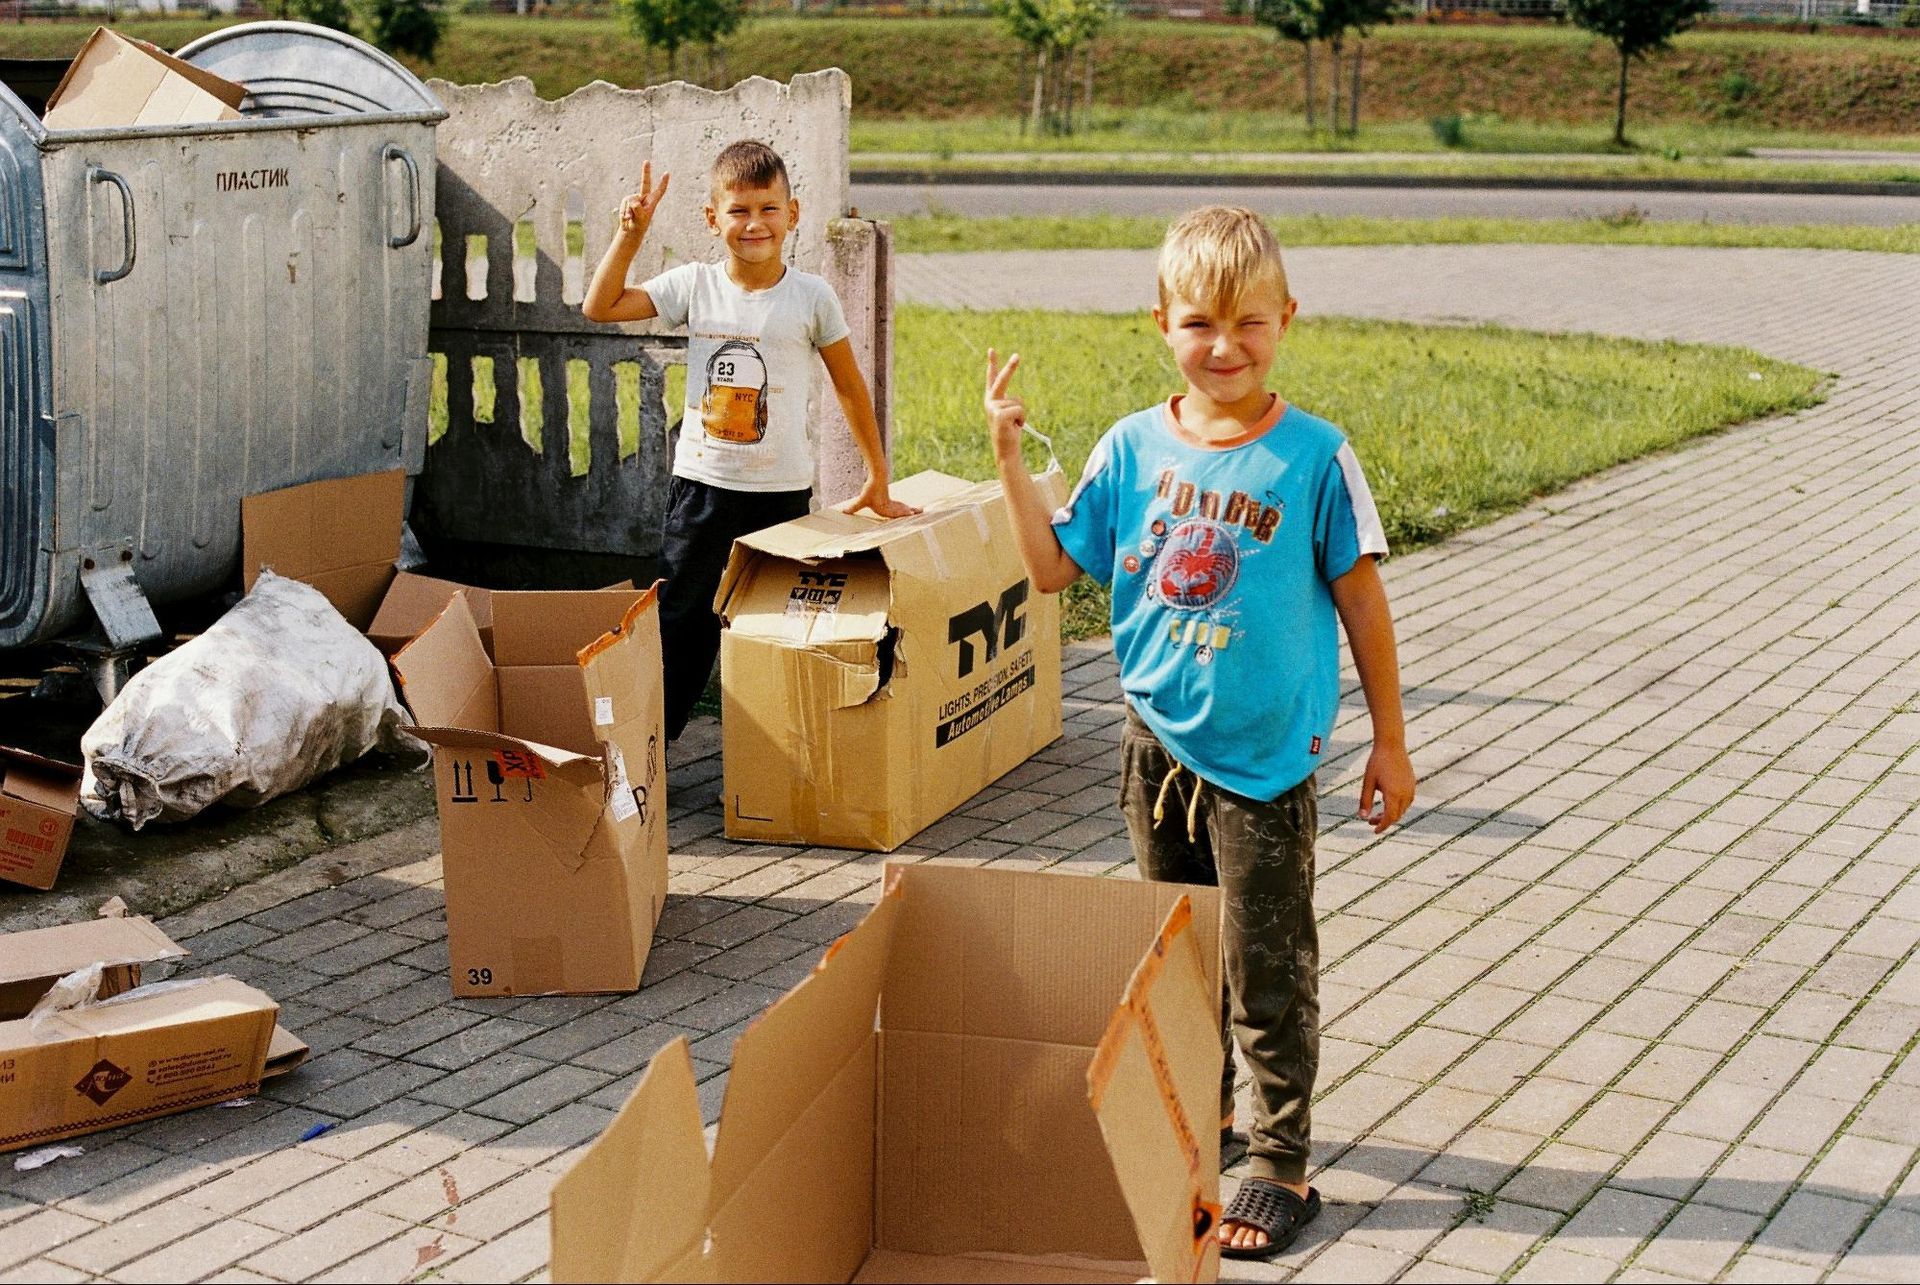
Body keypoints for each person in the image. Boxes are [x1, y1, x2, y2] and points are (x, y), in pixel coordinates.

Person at [982, 206, 1416, 1260]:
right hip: (1156, 749)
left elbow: (1362, 605)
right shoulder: (1129, 448)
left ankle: (1280, 1164)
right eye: (1199, 324)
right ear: (1160, 324)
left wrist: (1391, 743)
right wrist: (1003, 451)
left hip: (1265, 765)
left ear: (1287, 320)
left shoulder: (1315, 457)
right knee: (1179, 957)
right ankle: (1206, 1122)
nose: (1225, 347)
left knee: (1266, 967)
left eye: (1249, 323)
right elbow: (1049, 571)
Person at [582, 140, 916, 741]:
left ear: (793, 213)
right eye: (738, 211)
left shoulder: (811, 296)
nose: (754, 224)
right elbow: (599, 305)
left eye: (768, 209)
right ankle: (648, 754)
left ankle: (769, 759)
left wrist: (876, 477)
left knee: (772, 630)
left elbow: (848, 386)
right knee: (682, 624)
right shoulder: (695, 286)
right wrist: (631, 234)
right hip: (702, 494)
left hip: (780, 498)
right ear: (713, 220)